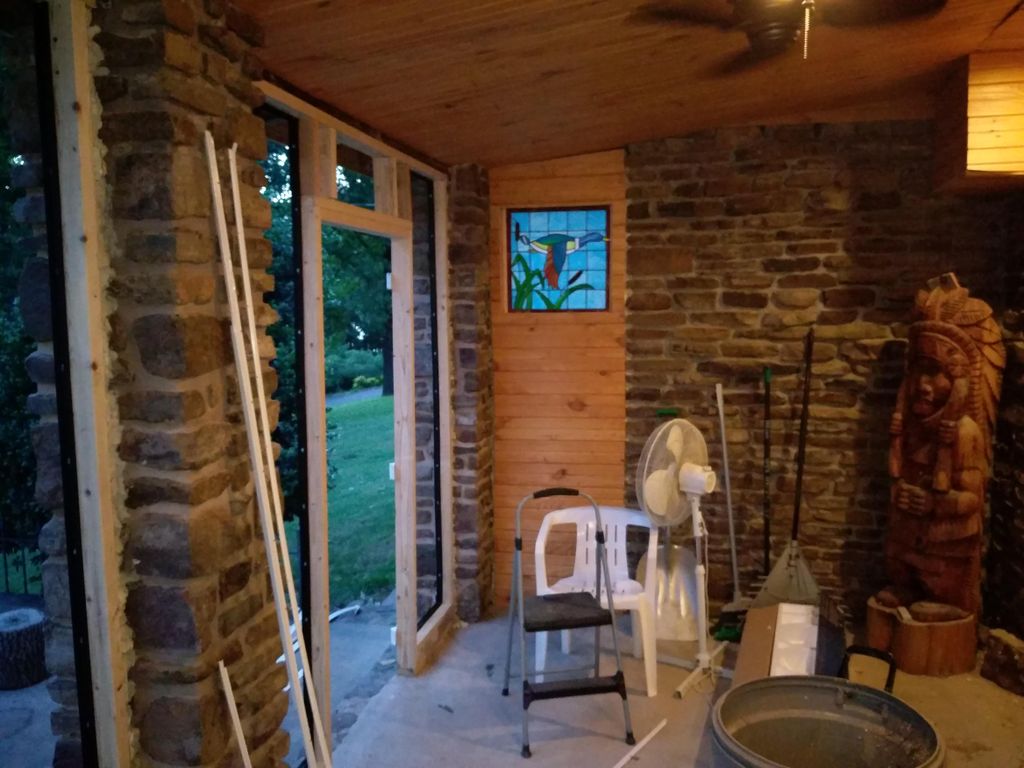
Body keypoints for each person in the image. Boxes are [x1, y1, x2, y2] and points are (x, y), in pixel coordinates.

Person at [877, 274, 1004, 617]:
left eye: (934, 373)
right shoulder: (914, 425)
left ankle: (951, 606)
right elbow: (897, 471)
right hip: (911, 532)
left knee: (941, 565)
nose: (922, 384)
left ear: (960, 379)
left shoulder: (964, 432)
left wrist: (935, 502)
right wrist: (900, 492)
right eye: (917, 371)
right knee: (898, 551)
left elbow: (970, 497)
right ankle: (906, 586)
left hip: (944, 538)